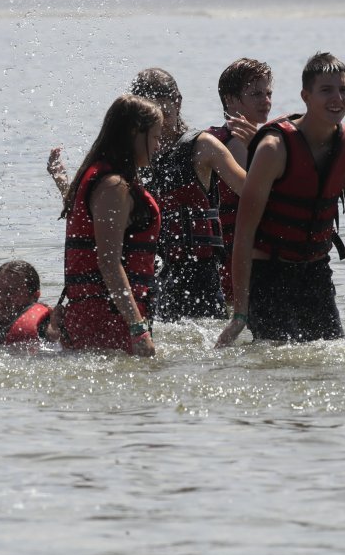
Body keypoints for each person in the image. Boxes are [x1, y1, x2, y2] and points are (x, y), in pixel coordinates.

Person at [217, 53, 345, 346]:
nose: (337, 98)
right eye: (327, 90)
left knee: (327, 362)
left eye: (344, 90)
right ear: (306, 96)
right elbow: (244, 233)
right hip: (267, 275)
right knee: (277, 361)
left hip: (315, 273)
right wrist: (239, 315)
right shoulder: (273, 149)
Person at [130, 68, 247, 320]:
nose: (158, 124)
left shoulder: (202, 146)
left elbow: (250, 191)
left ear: (178, 102)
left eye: (165, 114)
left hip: (201, 276)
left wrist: (261, 148)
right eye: (150, 117)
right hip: (153, 274)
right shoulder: (135, 157)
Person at [59, 94, 163, 356]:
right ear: (134, 133)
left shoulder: (103, 178)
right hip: (107, 320)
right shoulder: (112, 186)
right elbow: (108, 262)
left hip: (100, 317)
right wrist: (138, 329)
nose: (159, 146)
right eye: (155, 137)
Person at [204, 58, 274, 303]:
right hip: (238, 257)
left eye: (268, 93)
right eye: (256, 94)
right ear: (231, 99)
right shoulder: (237, 144)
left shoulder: (215, 138)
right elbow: (262, 197)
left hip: (228, 254)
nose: (265, 100)